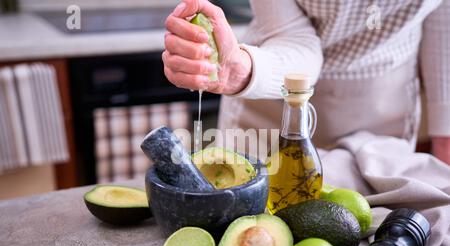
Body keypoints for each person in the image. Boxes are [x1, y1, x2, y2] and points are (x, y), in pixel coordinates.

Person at [162, 0, 450, 165]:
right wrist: (240, 70)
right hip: (271, 104)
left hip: (382, 115)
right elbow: (294, 38)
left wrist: (445, 131)